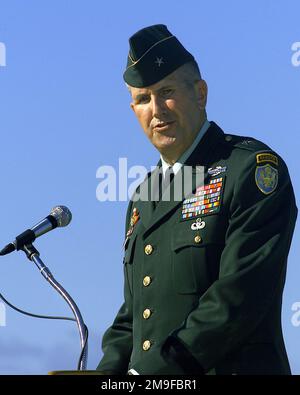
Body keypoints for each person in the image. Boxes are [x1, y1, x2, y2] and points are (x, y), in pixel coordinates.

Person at [96, 24, 298, 375]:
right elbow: (133, 318)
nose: (156, 110)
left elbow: (238, 298)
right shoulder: (144, 195)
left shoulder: (250, 169)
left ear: (200, 94)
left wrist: (151, 373)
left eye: (167, 91)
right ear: (133, 111)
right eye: (143, 99)